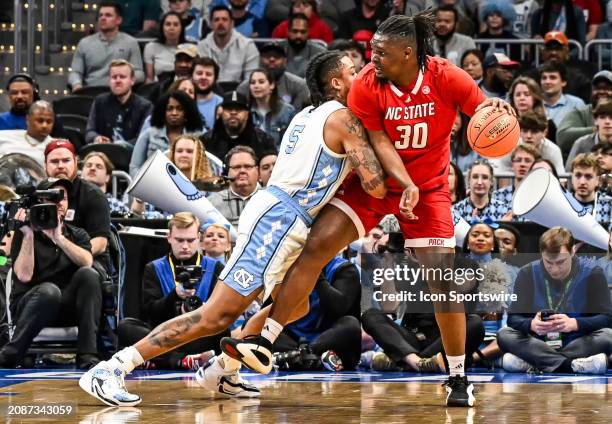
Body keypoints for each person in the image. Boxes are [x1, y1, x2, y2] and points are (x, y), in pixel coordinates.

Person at [222, 12, 513, 407]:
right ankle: (264, 341)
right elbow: (379, 143)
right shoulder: (366, 86)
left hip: (428, 190)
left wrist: (500, 112)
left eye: (381, 52)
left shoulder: (448, 76)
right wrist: (403, 182)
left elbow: (485, 110)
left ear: (408, 53)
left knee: (441, 279)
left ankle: (458, 376)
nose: (371, 58)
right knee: (316, 247)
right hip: (372, 184)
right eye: (371, 50)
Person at [79, 50, 388, 405]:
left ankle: (222, 369)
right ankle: (114, 368)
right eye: (354, 71)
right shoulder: (344, 118)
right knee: (217, 314)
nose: (364, 75)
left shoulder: (307, 114)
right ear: (336, 82)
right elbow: (376, 185)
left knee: (296, 305)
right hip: (280, 221)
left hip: (283, 215)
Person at [0, 178, 100, 369]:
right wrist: (29, 234)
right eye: (53, 197)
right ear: (40, 203)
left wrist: (58, 238)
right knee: (49, 291)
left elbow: (87, 261)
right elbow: (23, 276)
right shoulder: (25, 233)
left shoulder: (78, 234)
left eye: (63, 197)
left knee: (89, 274)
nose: (59, 202)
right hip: (33, 306)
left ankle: (88, 355)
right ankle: (12, 353)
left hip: (68, 306)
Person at [117, 213, 230, 370]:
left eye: (190, 240)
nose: (185, 246)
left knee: (223, 331)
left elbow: (221, 312)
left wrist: (201, 309)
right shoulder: (154, 267)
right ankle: (181, 361)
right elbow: (151, 312)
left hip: (198, 335)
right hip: (165, 333)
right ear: (169, 237)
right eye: (179, 240)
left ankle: (156, 359)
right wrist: (174, 296)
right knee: (126, 326)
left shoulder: (215, 268)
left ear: (198, 238)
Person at [498, 227, 612, 374]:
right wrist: (531, 324)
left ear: (573, 251)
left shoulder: (593, 272)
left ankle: (534, 363)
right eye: (548, 262)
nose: (555, 269)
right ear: (541, 254)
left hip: (578, 340)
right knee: (504, 334)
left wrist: (575, 324)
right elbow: (513, 318)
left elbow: (607, 318)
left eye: (561, 262)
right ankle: (572, 365)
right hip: (539, 341)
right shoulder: (527, 272)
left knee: (609, 335)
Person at [44, 140, 112, 271]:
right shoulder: (37, 194)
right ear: (45, 165)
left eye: (66, 160)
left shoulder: (93, 195)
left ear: (75, 163)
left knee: (87, 273)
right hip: (45, 262)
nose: (60, 166)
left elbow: (101, 243)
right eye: (54, 161)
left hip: (88, 263)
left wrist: (67, 254)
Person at [69, 1, 144, 91]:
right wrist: (76, 85)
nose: (103, 18)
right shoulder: (84, 43)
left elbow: (139, 73)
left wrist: (125, 82)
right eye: (101, 15)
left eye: (108, 15)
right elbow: (75, 72)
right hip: (91, 92)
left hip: (120, 91)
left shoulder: (130, 42)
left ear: (119, 20)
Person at [129, 91, 203, 176]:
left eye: (179, 109)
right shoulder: (149, 134)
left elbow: (207, 166)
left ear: (187, 112)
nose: (174, 113)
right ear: (162, 112)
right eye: (169, 109)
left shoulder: (197, 136)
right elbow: (135, 167)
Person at [85, 60, 152, 149]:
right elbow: (89, 131)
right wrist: (96, 138)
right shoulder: (100, 101)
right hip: (103, 155)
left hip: (131, 155)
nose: (118, 81)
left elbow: (143, 139)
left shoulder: (145, 106)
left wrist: (117, 146)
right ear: (109, 80)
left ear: (132, 80)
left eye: (122, 77)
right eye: (114, 77)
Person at [200, 90, 276, 160]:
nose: (233, 113)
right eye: (229, 109)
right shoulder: (207, 141)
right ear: (221, 112)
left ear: (247, 113)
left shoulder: (263, 141)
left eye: (238, 109)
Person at [235, 41, 310, 111]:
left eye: (277, 56)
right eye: (267, 56)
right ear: (260, 60)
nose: (271, 59)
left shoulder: (300, 86)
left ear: (285, 61)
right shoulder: (244, 87)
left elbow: (300, 115)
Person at [196, 5, 260, 83]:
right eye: (216, 20)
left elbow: (251, 78)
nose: (220, 23)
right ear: (210, 24)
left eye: (224, 19)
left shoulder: (248, 45)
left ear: (232, 23)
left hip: (239, 92)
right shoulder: (201, 46)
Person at [491, 111, 565, 175]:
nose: (528, 136)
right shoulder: (509, 147)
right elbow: (503, 177)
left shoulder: (553, 151)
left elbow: (562, 180)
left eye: (534, 132)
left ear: (544, 133)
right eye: (525, 131)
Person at [557, 71, 612, 155]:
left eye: (607, 88)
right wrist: (598, 129)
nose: (601, 92)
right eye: (597, 88)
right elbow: (562, 137)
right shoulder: (581, 112)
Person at [207, 146, 260, 226]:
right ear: (227, 173)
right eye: (236, 167)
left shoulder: (272, 201)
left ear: (257, 170)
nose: (242, 171)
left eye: (248, 166)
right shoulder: (211, 204)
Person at [248, 68, 296, 149]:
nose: (256, 86)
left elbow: (291, 143)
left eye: (261, 82)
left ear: (272, 85)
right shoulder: (246, 111)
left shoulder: (287, 111)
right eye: (252, 83)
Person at [0, 100, 55, 165]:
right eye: (40, 121)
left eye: (49, 122)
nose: (44, 126)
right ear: (27, 119)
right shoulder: (4, 136)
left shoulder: (57, 147)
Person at [491, 144, 540, 216]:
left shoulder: (539, 196)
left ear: (535, 165)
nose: (522, 164)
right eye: (518, 160)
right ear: (512, 164)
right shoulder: (497, 195)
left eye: (527, 161)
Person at [508, 76, 557, 142]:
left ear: (535, 98)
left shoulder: (548, 123)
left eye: (527, 94)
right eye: (518, 95)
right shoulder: (506, 123)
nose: (522, 98)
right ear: (512, 98)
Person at [81, 151, 130, 216]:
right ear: (81, 173)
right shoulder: (69, 201)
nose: (92, 168)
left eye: (99, 166)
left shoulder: (119, 206)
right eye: (88, 165)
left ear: (107, 177)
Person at [566, 100, 612, 169]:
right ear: (595, 121)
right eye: (602, 117)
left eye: (611, 118)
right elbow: (568, 173)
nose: (607, 122)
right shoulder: (581, 143)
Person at [568, 153, 612, 224]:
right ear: (572, 178)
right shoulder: (564, 203)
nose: (582, 182)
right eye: (578, 175)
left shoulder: (609, 204)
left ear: (597, 180)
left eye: (588, 176)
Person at [143, 12, 186, 83]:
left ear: (181, 28)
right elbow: (149, 78)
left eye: (176, 25)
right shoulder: (151, 47)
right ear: (162, 27)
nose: (171, 28)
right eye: (168, 24)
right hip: (158, 88)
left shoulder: (190, 48)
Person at [540, 61, 586, 128]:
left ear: (563, 82)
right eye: (544, 78)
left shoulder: (576, 104)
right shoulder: (533, 102)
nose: (547, 82)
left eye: (552, 78)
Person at [283, 13, 327, 78]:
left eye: (303, 32)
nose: (298, 36)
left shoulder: (320, 52)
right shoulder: (277, 50)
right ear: (288, 31)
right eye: (295, 31)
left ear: (308, 32)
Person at [192, 57, 223, 131]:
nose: (203, 77)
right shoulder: (182, 102)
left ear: (215, 78)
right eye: (199, 73)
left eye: (208, 74)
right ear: (192, 76)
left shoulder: (222, 104)